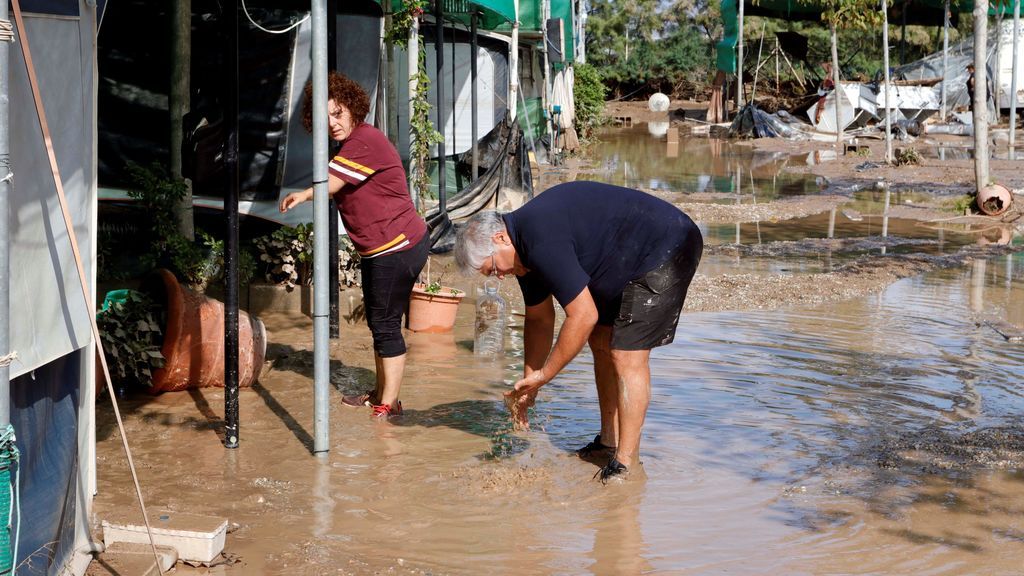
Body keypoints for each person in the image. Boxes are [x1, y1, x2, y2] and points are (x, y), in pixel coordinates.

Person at [454, 181, 703, 482]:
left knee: (626, 354)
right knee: (600, 339)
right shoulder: (522, 256)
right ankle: (608, 443)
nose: (500, 277)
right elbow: (539, 320)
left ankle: (626, 465)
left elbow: (583, 316)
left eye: (493, 268)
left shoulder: (539, 238)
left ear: (500, 238)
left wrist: (546, 374)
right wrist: (529, 386)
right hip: (624, 259)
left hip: (668, 243)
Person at [280, 72, 428, 418]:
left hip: (397, 246)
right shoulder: (351, 145)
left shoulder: (364, 140)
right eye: (325, 118)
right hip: (383, 248)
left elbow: (330, 184)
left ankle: (388, 407)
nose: (332, 123)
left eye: (338, 113)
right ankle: (382, 394)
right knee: (379, 323)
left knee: (386, 325)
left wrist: (302, 194)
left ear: (353, 108)